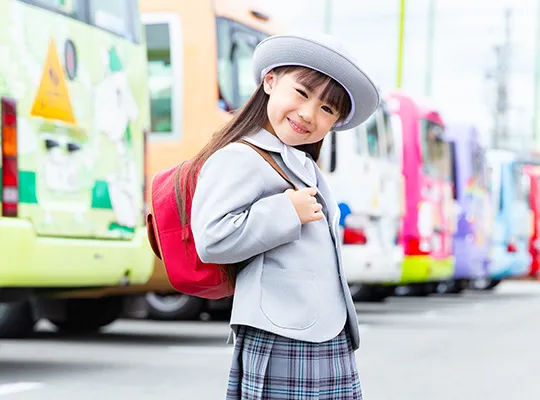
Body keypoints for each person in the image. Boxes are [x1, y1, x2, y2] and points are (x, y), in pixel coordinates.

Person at [189, 32, 379, 399]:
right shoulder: (240, 156)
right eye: (302, 93)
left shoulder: (302, 163)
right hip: (281, 333)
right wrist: (285, 212)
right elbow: (211, 238)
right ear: (270, 81)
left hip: (324, 333)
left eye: (327, 109)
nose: (309, 114)